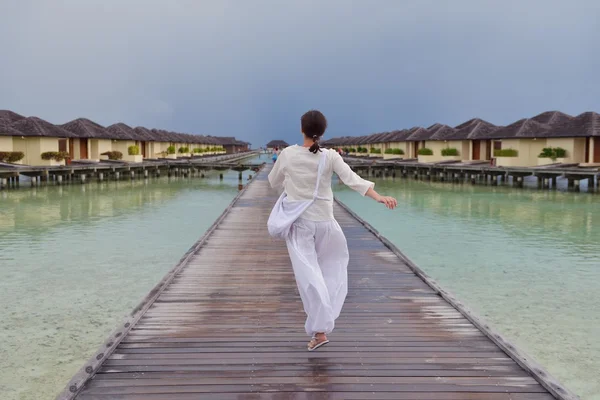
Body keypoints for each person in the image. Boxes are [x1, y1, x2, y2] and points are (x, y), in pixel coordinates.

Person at [268, 110, 397, 351]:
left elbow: (273, 181)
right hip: (327, 223)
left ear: (301, 129)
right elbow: (352, 179)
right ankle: (321, 329)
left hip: (301, 224)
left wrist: (292, 183)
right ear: (323, 132)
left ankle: (319, 330)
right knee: (333, 272)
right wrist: (378, 197)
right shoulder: (330, 157)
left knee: (309, 278)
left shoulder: (287, 154)